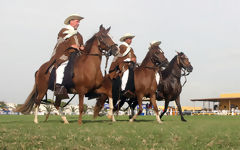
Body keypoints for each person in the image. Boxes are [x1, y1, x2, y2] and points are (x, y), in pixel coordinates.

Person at [48, 14, 84, 98]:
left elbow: (81, 44)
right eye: (77, 21)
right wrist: (71, 45)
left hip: (77, 55)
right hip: (65, 54)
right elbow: (60, 42)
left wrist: (82, 47)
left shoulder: (79, 35)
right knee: (62, 66)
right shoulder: (63, 30)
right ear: (71, 21)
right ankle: (58, 86)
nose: (78, 23)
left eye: (78, 22)